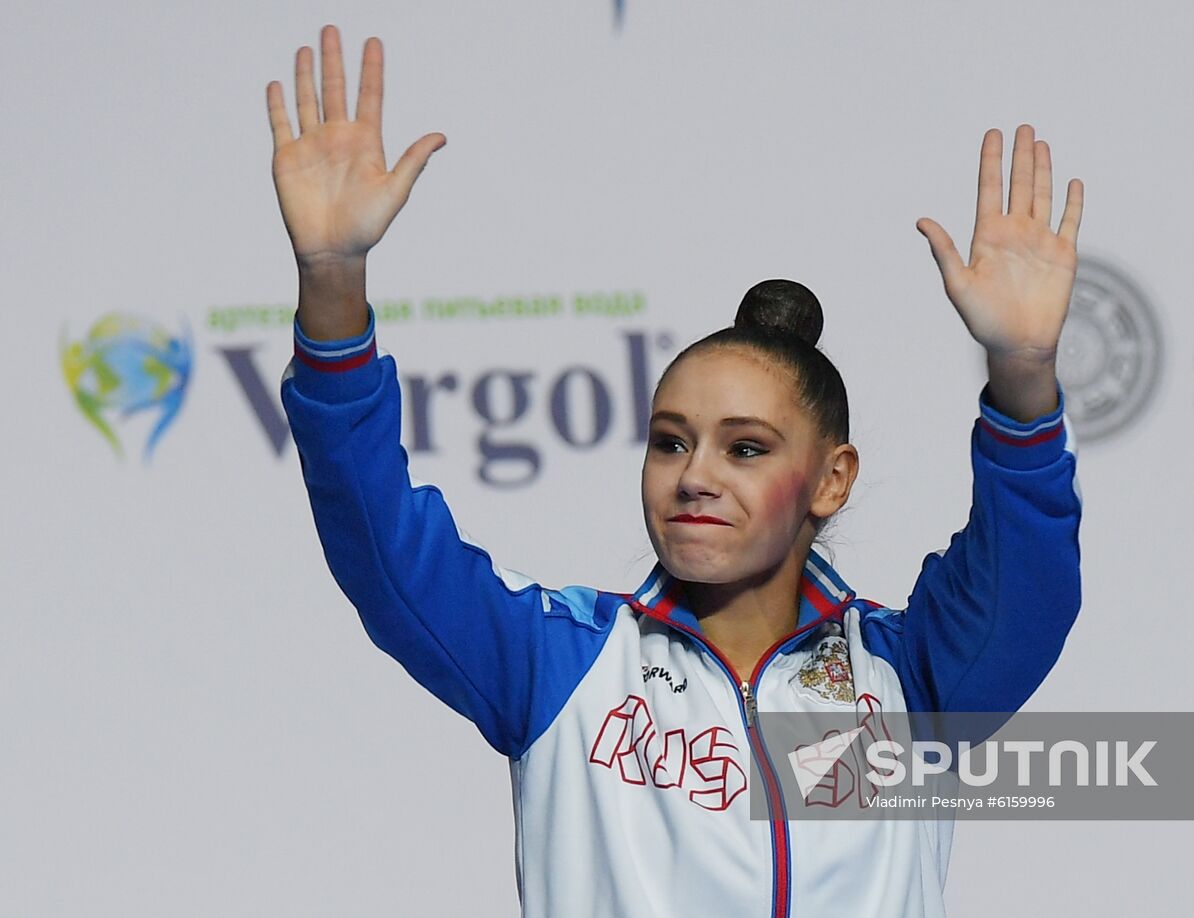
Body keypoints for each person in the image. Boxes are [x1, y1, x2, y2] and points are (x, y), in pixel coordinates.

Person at [267, 24, 1083, 918]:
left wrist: (1023, 373)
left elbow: (1030, 583)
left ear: (832, 479)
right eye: (669, 441)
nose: (695, 476)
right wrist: (334, 277)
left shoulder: (913, 678)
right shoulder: (561, 663)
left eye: (746, 448)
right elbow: (379, 537)